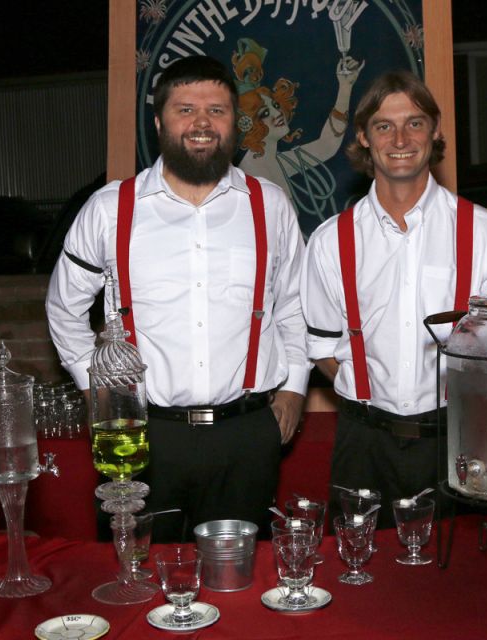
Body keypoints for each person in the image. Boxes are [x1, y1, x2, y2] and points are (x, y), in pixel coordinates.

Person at [46, 55, 309, 542]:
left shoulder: (269, 205)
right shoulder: (110, 209)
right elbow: (64, 308)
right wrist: (95, 388)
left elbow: (292, 304)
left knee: (241, 587)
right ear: (159, 121)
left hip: (246, 431)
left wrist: (294, 386)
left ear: (236, 121)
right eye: (185, 109)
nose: (202, 123)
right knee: (138, 578)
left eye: (217, 110)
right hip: (145, 434)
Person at [300, 70, 487, 528]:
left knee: (462, 586)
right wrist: (370, 385)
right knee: (358, 582)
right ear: (364, 137)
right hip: (363, 444)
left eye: (415, 123)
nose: (400, 138)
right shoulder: (330, 241)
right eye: (384, 125)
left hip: (461, 439)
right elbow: (323, 347)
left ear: (436, 130)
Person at [232, 38, 364, 224]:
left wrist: (345, 86)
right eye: (265, 112)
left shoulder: (276, 160)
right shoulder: (246, 175)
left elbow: (326, 146)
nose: (277, 113)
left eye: (275, 105)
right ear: (248, 124)